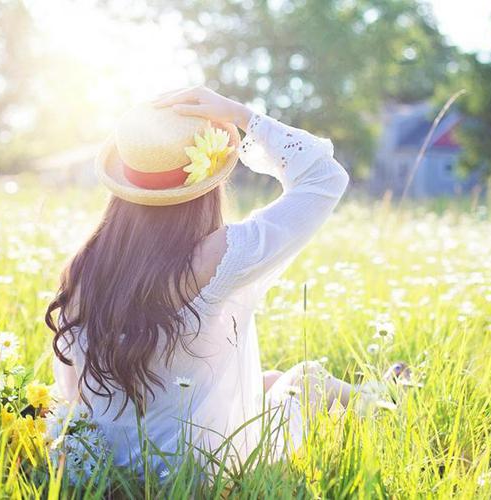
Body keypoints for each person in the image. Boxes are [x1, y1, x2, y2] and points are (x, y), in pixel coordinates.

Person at [45, 86, 399, 480]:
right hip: (200, 471)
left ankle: (378, 395)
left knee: (267, 382)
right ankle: (383, 402)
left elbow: (72, 389)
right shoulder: (218, 256)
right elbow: (324, 177)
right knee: (306, 379)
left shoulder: (85, 264)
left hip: (108, 465)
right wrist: (244, 116)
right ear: (207, 182)